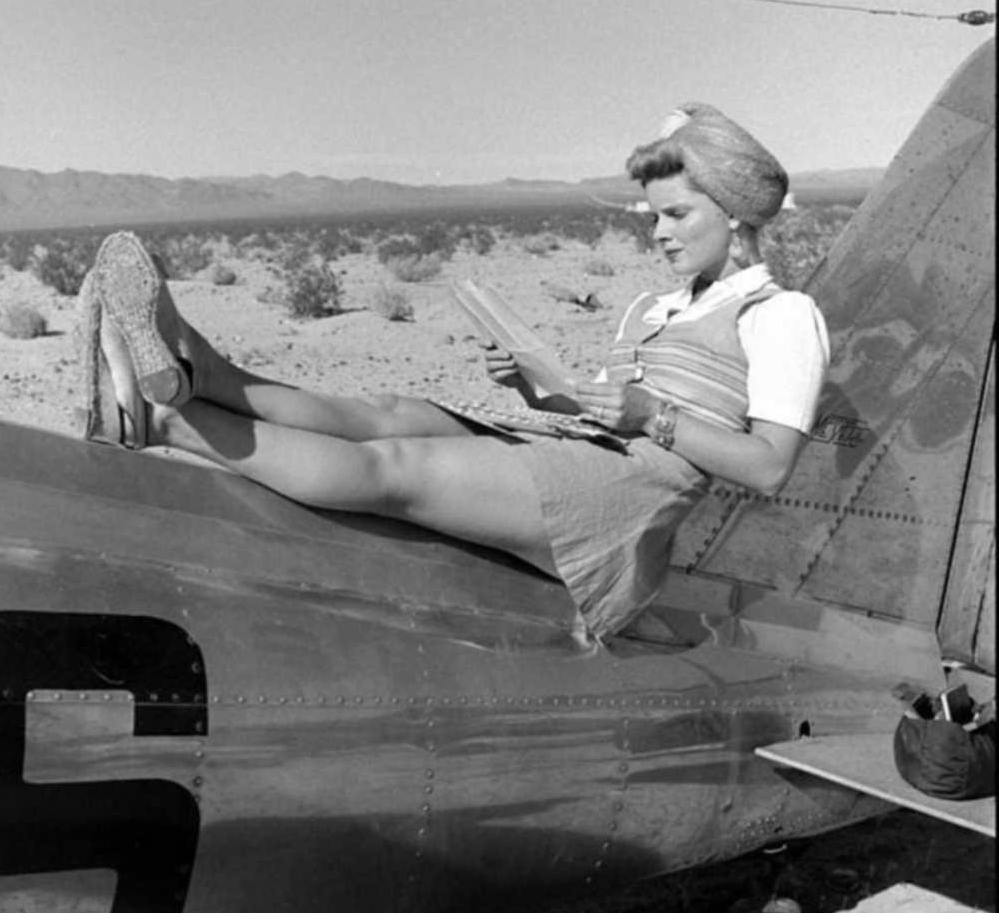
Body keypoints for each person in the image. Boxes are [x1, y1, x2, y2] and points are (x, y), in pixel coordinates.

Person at [77, 103, 829, 641]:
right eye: (653, 217)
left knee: (396, 466)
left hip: (623, 505)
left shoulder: (782, 315)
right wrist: (529, 384)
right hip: (584, 450)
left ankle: (166, 421)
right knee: (390, 411)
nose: (660, 235)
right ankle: (201, 370)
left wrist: (650, 418)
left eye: (677, 216)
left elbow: (768, 468)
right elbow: (606, 413)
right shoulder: (658, 307)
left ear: (733, 215)